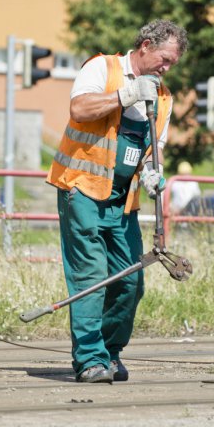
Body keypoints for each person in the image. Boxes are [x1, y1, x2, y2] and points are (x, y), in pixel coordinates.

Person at [46, 20, 188, 383]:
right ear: (144, 46)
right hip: (82, 189)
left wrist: (155, 173)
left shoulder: (164, 99)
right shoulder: (102, 69)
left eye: (172, 63)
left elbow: (157, 149)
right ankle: (90, 359)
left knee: (129, 282)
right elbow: (80, 109)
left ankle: (109, 353)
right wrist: (126, 95)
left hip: (122, 201)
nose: (166, 68)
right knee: (90, 275)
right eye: (164, 59)